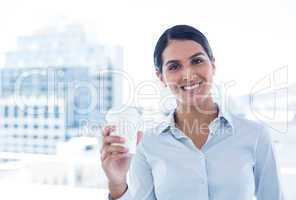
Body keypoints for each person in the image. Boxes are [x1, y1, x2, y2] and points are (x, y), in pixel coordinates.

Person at [100, 24, 284, 200]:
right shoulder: (149, 144)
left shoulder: (255, 135)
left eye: (197, 61)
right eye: (174, 66)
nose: (188, 74)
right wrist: (117, 184)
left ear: (213, 65)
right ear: (161, 77)